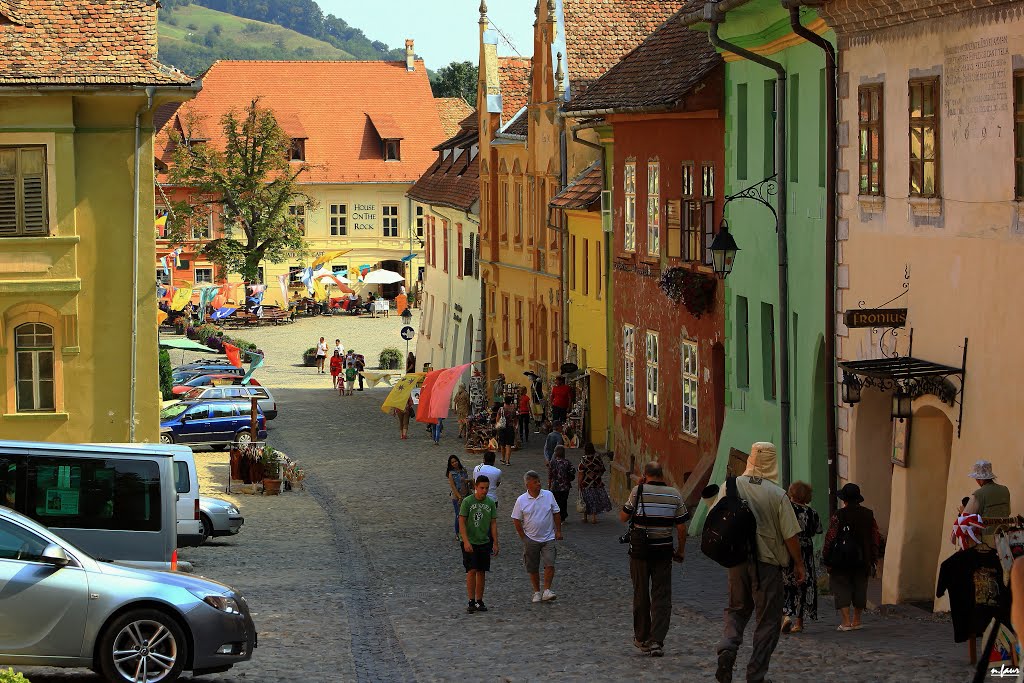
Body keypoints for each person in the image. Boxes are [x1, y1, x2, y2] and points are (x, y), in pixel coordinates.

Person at [716, 442, 805, 683]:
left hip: (737, 561)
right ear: (772, 463)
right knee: (767, 621)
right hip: (766, 565)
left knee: (736, 610)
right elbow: (790, 535)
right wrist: (799, 564)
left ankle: (728, 647)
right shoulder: (777, 495)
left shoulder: (730, 486)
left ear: (751, 460)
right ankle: (756, 674)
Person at [619, 461, 688, 658]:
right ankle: (657, 640)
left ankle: (641, 637)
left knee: (641, 593)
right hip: (663, 552)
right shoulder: (674, 494)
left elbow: (623, 517)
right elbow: (682, 528)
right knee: (662, 596)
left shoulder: (637, 490)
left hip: (640, 553)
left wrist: (639, 488)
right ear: (662, 474)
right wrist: (680, 550)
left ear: (645, 474)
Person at [823, 482, 880, 632]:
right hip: (863, 558)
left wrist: (826, 557)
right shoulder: (868, 514)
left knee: (841, 586)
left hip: (841, 559)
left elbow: (830, 537)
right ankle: (857, 620)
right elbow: (875, 537)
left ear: (845, 499)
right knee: (860, 586)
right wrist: (874, 558)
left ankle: (846, 621)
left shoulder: (839, 515)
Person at [511, 470, 562, 603]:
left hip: (548, 537)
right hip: (531, 538)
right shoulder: (521, 500)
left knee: (550, 563)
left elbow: (556, 513)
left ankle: (547, 590)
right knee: (532, 567)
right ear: (528, 485)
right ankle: (536, 591)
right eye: (535, 482)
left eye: (539, 481)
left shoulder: (548, 495)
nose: (538, 484)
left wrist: (558, 531)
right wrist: (523, 537)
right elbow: (516, 519)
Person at [781, 481, 823, 635]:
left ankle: (785, 615)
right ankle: (799, 622)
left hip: (789, 547)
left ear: (791, 493)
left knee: (786, 581)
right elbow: (817, 530)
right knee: (804, 583)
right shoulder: (812, 513)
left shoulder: (787, 509)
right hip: (806, 548)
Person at [460, 475, 499, 614]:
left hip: (484, 541)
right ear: (476, 487)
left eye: (487, 488)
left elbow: (493, 523)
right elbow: (462, 522)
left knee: (482, 570)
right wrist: (465, 540)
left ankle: (479, 600)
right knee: (471, 570)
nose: (484, 491)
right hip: (470, 541)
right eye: (482, 488)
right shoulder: (467, 502)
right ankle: (471, 600)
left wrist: (495, 542)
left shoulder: (490, 503)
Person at [962, 461, 1012, 544]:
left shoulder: (978, 494)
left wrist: (961, 513)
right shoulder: (1005, 490)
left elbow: (965, 518)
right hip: (1006, 536)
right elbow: (1008, 512)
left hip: (988, 539)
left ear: (980, 479)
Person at [577, 443, 612, 524]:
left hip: (586, 483)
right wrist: (597, 476)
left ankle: (585, 517)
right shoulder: (597, 458)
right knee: (594, 500)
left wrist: (579, 484)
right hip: (597, 483)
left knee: (585, 500)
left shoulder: (583, 460)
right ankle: (594, 518)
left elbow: (581, 473)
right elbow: (602, 469)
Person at [547, 445, 574, 523]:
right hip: (565, 486)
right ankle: (562, 517)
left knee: (556, 502)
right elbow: (572, 472)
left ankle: (556, 516)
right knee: (563, 502)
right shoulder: (567, 462)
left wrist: (549, 485)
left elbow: (550, 475)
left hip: (555, 486)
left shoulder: (552, 462)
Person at [446, 455, 471, 538]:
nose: (454, 463)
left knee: (467, 515)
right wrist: (459, 497)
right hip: (457, 497)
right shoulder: (451, 473)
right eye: (452, 462)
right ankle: (458, 533)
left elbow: (467, 482)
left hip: (467, 495)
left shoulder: (463, 470)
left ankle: (466, 531)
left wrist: (467, 481)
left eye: (455, 461)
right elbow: (453, 487)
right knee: (459, 515)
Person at [496, 397, 517, 466]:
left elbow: (497, 419)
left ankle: (503, 459)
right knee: (509, 445)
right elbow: (515, 419)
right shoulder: (513, 409)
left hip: (502, 428)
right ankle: (508, 461)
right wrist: (515, 426)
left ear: (504, 401)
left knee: (502, 444)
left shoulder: (501, 409)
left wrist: (498, 425)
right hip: (510, 428)